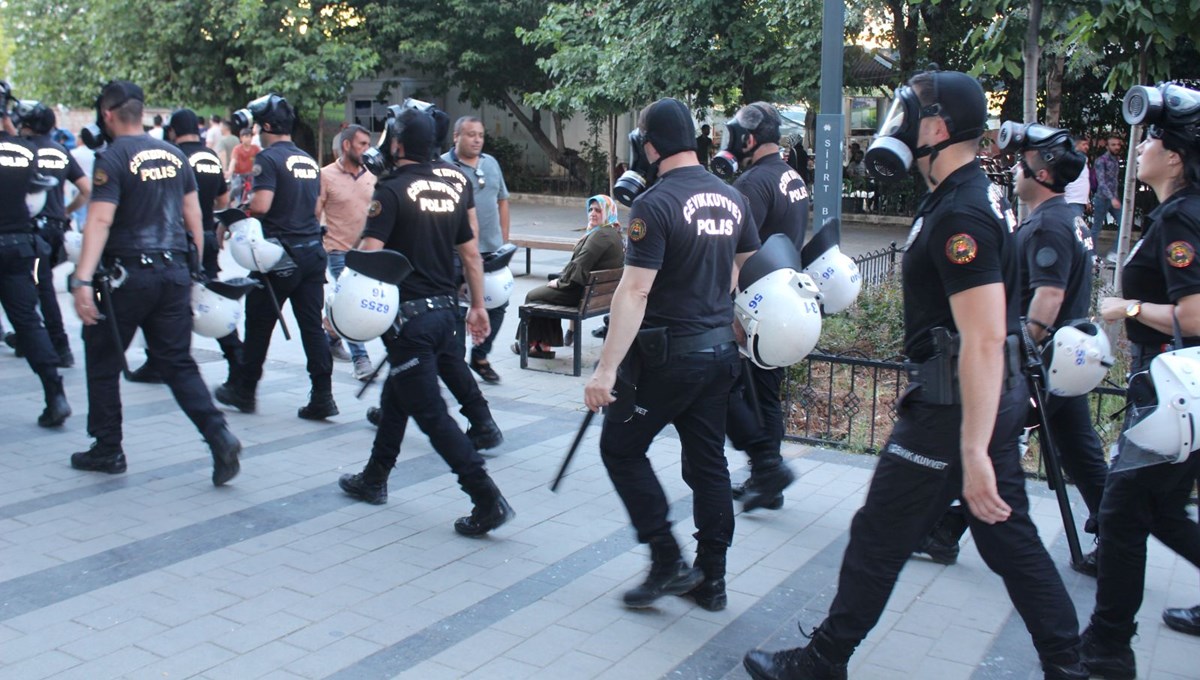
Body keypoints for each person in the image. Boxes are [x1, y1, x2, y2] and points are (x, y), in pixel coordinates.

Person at [743, 70, 1087, 680]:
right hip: (971, 396)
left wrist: (974, 450)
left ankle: (824, 661)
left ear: (935, 127)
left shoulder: (962, 214)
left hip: (954, 406)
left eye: (909, 111)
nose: (896, 123)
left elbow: (981, 336)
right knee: (1007, 536)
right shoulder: (962, 195)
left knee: (881, 531)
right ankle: (1071, 662)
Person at [584, 97, 759, 611]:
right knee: (709, 466)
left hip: (669, 361)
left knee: (619, 448)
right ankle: (712, 579)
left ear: (650, 145)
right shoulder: (732, 199)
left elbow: (634, 292)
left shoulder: (654, 205)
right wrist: (712, 299)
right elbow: (743, 261)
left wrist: (606, 369)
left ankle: (666, 559)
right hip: (719, 354)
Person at [913, 123, 1107, 575]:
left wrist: (1015, 353)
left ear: (1040, 176)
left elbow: (1048, 297)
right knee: (1078, 451)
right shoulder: (1070, 217)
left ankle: (945, 530)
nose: (1014, 172)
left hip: (1043, 361)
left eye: (1022, 165)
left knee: (988, 440)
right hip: (1062, 362)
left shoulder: (1046, 225)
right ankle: (1115, 532)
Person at [338, 107, 514, 537]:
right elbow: (470, 253)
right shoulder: (454, 185)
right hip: (446, 315)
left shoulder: (392, 189)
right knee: (399, 394)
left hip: (410, 321)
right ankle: (375, 477)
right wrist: (476, 306)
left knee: (433, 416)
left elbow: (371, 255)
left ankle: (486, 499)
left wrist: (338, 308)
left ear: (396, 145)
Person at [68, 80, 239, 485]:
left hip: (128, 276)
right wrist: (193, 269)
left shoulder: (112, 157)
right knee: (177, 362)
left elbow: (100, 219)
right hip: (173, 272)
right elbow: (195, 218)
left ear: (107, 115)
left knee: (103, 358)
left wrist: (80, 279)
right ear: (141, 112)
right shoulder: (174, 154)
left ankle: (108, 449)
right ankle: (218, 435)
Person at [1088, 83, 1200, 677]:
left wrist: (1126, 311)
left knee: (1124, 513)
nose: (1139, 148)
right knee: (1158, 513)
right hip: (1174, 393)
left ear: (1175, 157)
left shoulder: (1182, 219)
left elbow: (1195, 315)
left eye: (1153, 138)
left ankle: (1107, 650)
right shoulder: (1178, 213)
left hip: (1174, 394)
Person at [214, 94, 336, 420]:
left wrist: (241, 211)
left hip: (280, 255)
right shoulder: (307, 159)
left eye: (258, 126)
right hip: (312, 250)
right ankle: (322, 395)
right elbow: (312, 207)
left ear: (267, 126)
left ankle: (244, 389)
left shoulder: (267, 159)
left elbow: (262, 205)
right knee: (311, 326)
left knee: (259, 321)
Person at [717, 102, 810, 513]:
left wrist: (731, 311)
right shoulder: (791, 176)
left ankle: (767, 473)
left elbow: (735, 249)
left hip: (757, 304)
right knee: (766, 394)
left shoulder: (752, 182)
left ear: (749, 139)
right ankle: (767, 476)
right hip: (784, 299)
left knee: (746, 392)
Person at [127, 108, 242, 385]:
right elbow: (223, 200)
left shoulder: (170, 156)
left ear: (173, 131)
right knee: (209, 298)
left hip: (177, 239)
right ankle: (237, 361)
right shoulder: (210, 156)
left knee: (163, 302)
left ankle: (158, 362)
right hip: (207, 234)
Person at [0, 90, 72, 429]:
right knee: (29, 322)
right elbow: (37, 197)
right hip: (20, 244)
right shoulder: (28, 151)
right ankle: (55, 392)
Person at [13, 100, 90, 368]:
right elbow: (86, 189)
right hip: (56, 229)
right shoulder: (61, 150)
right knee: (33, 285)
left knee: (40, 287)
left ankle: (59, 345)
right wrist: (67, 210)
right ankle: (29, 339)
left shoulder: (24, 151)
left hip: (33, 230)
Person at [443, 116, 510, 384]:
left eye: (480, 135)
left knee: (498, 305)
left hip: (490, 252)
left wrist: (504, 240)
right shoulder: (443, 166)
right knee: (458, 310)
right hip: (455, 254)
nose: (477, 140)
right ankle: (455, 366)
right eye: (471, 134)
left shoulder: (491, 163)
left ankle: (480, 355)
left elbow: (503, 200)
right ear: (456, 137)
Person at [513, 194, 624, 357]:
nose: (592, 213)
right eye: (591, 209)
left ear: (608, 213)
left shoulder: (601, 235)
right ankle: (542, 345)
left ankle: (534, 345)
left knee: (534, 296)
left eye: (598, 210)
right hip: (593, 294)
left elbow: (580, 265)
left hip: (579, 293)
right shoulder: (613, 233)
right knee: (544, 294)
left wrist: (559, 283)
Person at [316, 124, 376, 379]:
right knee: (352, 303)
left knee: (355, 303)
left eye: (368, 144)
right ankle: (360, 358)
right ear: (346, 145)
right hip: (338, 251)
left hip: (369, 251)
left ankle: (329, 335)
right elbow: (314, 213)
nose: (366, 149)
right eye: (361, 144)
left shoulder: (372, 175)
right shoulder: (325, 175)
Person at [1092, 134, 1124, 255]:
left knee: (1124, 224)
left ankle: (1114, 253)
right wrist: (1112, 198)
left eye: (1118, 144)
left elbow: (1114, 181)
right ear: (1107, 146)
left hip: (1113, 199)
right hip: (1102, 198)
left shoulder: (1116, 159)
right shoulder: (1101, 161)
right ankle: (1091, 254)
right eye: (1113, 145)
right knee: (1096, 227)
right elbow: (1102, 183)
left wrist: (1115, 198)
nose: (1116, 147)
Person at [226, 128, 259, 208]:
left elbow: (261, 159)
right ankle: (228, 201)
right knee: (236, 188)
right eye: (246, 136)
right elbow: (233, 160)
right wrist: (230, 171)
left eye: (250, 136)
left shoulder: (255, 148)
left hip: (250, 174)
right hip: (238, 174)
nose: (249, 139)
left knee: (253, 190)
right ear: (241, 138)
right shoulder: (237, 149)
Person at [1063, 135, 1091, 222]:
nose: (1087, 147)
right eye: (1083, 144)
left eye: (1087, 144)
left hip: (1079, 200)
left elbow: (1083, 180)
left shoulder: (1083, 161)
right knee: (1074, 227)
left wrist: (1086, 200)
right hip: (1072, 199)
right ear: (1076, 145)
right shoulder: (1072, 160)